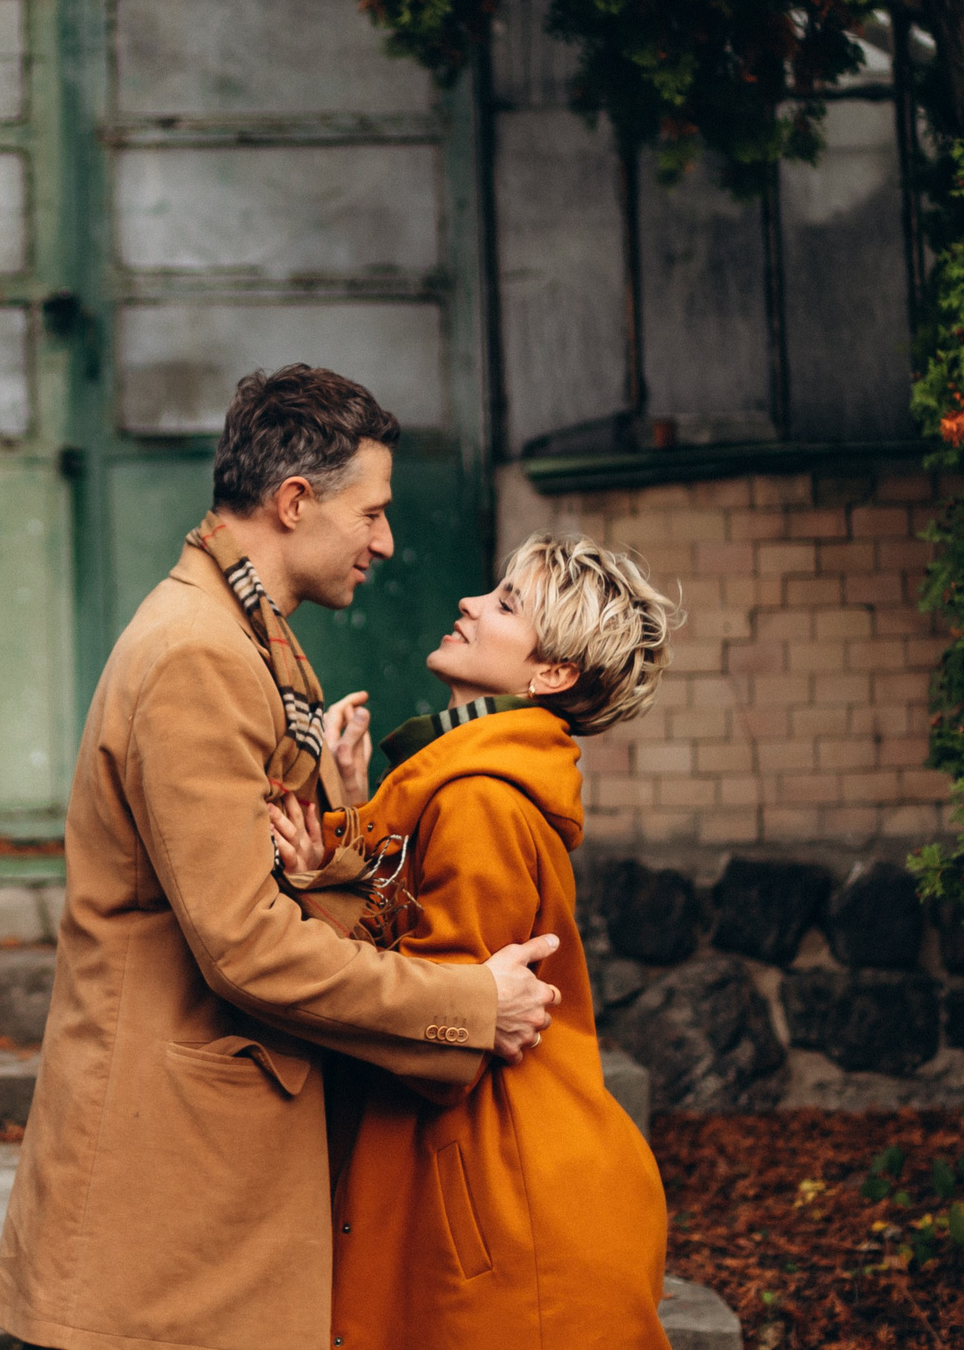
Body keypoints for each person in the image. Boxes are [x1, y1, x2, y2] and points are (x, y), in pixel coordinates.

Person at [0, 366, 565, 1350]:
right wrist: (471, 1006)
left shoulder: (249, 639)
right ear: (295, 503)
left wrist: (341, 829)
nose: (385, 542)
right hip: (170, 1192)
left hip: (205, 1177)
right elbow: (245, 947)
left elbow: (282, 893)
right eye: (372, 513)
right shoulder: (200, 657)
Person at [269, 531, 682, 1350]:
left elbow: (437, 1035)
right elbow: (434, 961)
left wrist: (324, 883)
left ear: (551, 674)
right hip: (516, 1178)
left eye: (505, 603)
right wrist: (358, 815)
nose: (470, 602)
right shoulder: (471, 789)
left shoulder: (479, 802)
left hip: (497, 1201)